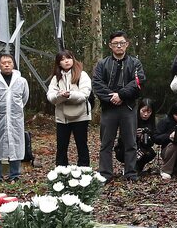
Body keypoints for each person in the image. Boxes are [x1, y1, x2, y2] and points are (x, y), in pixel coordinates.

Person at [92, 32, 146, 180]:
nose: (119, 46)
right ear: (110, 46)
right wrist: (112, 97)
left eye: (122, 42)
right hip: (109, 108)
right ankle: (105, 174)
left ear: (127, 44)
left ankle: (130, 173)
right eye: (116, 43)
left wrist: (121, 95)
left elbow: (138, 82)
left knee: (130, 142)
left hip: (128, 107)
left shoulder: (135, 63)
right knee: (106, 143)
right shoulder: (102, 64)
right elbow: (97, 84)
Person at [0, 52, 29, 182]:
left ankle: (15, 174)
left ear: (13, 64)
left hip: (15, 119)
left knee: (16, 144)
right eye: (4, 63)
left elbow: (24, 98)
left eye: (9, 62)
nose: (7, 65)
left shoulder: (22, 81)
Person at [47, 49, 93, 168]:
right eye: (62, 60)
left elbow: (84, 94)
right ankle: (61, 173)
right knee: (61, 146)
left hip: (81, 116)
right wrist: (60, 96)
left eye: (68, 58)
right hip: (62, 117)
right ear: (58, 63)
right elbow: (50, 96)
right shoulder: (56, 78)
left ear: (73, 59)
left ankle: (84, 172)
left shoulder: (82, 75)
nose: (66, 61)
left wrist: (70, 95)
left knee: (81, 145)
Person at [119, 99, 157, 172]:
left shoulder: (152, 122)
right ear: (139, 109)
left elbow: (153, 140)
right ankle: (130, 167)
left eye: (149, 112)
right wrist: (133, 134)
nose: (145, 114)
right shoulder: (130, 119)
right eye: (143, 111)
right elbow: (121, 139)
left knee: (149, 152)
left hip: (143, 149)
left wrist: (146, 137)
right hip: (126, 147)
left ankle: (137, 167)